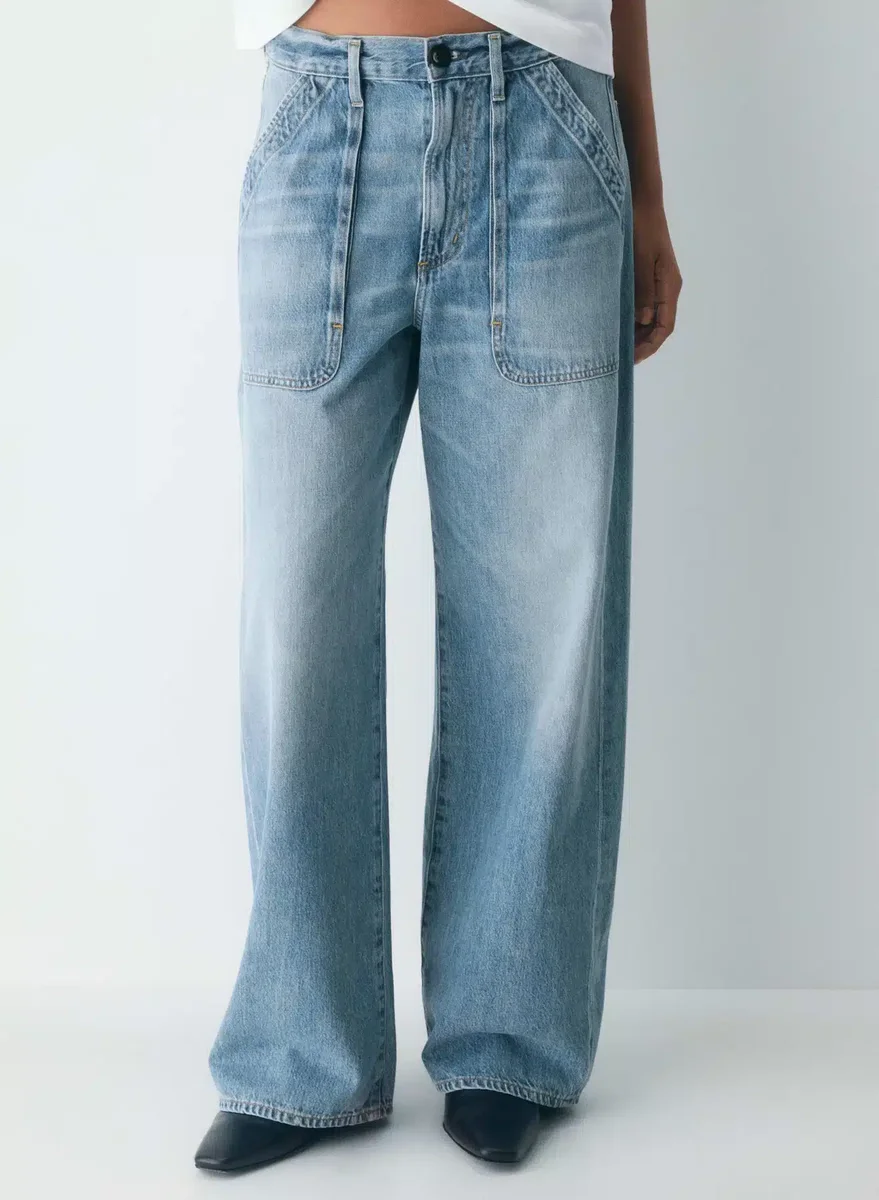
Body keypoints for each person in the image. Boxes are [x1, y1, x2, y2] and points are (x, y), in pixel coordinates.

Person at [195, 0, 681, 1171]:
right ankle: (299, 1052)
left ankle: (507, 1042)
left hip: (545, 121)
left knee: (537, 627)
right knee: (293, 622)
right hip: (321, 114)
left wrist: (650, 197)